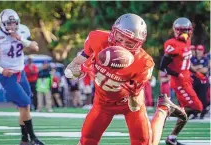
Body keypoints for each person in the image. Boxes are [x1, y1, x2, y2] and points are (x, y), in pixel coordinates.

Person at [65, 13, 187, 145]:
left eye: (129, 43)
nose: (122, 45)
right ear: (113, 32)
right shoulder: (97, 38)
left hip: (129, 106)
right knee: (86, 141)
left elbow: (134, 106)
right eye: (119, 38)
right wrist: (78, 70)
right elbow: (72, 68)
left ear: (138, 44)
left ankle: (163, 109)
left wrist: (134, 94)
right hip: (102, 104)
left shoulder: (144, 63)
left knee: (146, 143)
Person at [0, 9, 44, 145]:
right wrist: (1, 70)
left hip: (21, 73)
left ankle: (24, 140)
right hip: (8, 76)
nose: (12, 26)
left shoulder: (23, 31)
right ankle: (33, 138)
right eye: (9, 23)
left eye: (14, 23)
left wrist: (21, 39)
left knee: (25, 107)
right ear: (2, 23)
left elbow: (35, 47)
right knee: (24, 103)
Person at [159, 17, 205, 145]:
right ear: (175, 30)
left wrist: (196, 73)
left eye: (186, 30)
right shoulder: (172, 44)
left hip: (187, 80)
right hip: (179, 83)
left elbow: (185, 62)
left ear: (190, 31)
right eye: (180, 30)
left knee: (186, 112)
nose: (183, 33)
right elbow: (163, 67)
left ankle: (172, 138)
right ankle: (164, 113)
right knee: (197, 107)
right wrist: (177, 74)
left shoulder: (187, 42)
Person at [190, 45, 209, 119]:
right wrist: (199, 67)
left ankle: (203, 112)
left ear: (203, 51)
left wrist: (195, 69)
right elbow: (190, 68)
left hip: (203, 81)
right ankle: (195, 113)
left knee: (203, 97)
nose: (199, 51)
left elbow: (205, 70)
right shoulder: (192, 58)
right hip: (194, 80)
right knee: (194, 97)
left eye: (201, 50)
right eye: (198, 49)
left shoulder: (205, 59)